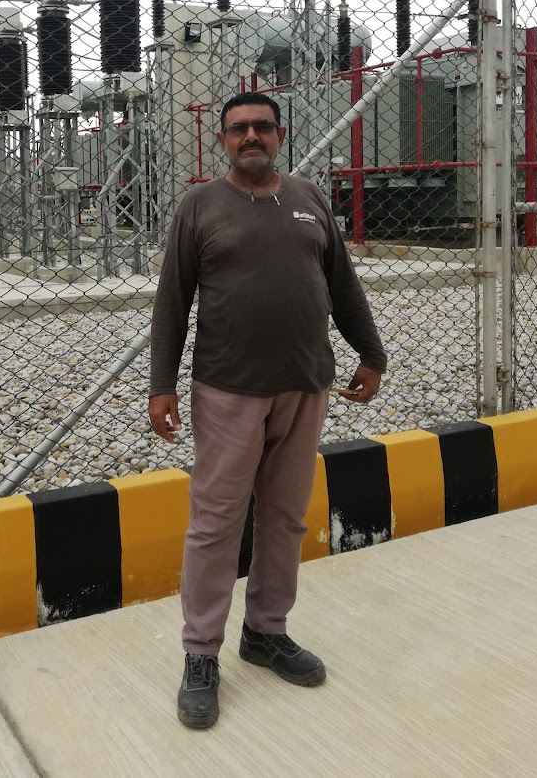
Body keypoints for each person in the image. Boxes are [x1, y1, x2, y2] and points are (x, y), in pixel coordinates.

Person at [148, 91, 387, 730]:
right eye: (238, 130)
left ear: (278, 136)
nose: (250, 136)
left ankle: (266, 631)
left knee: (283, 519)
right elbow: (172, 300)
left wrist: (372, 353)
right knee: (216, 521)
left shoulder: (309, 201)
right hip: (228, 389)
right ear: (222, 141)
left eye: (261, 127)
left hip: (305, 386)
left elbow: (342, 286)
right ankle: (201, 654)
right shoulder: (199, 207)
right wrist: (160, 383)